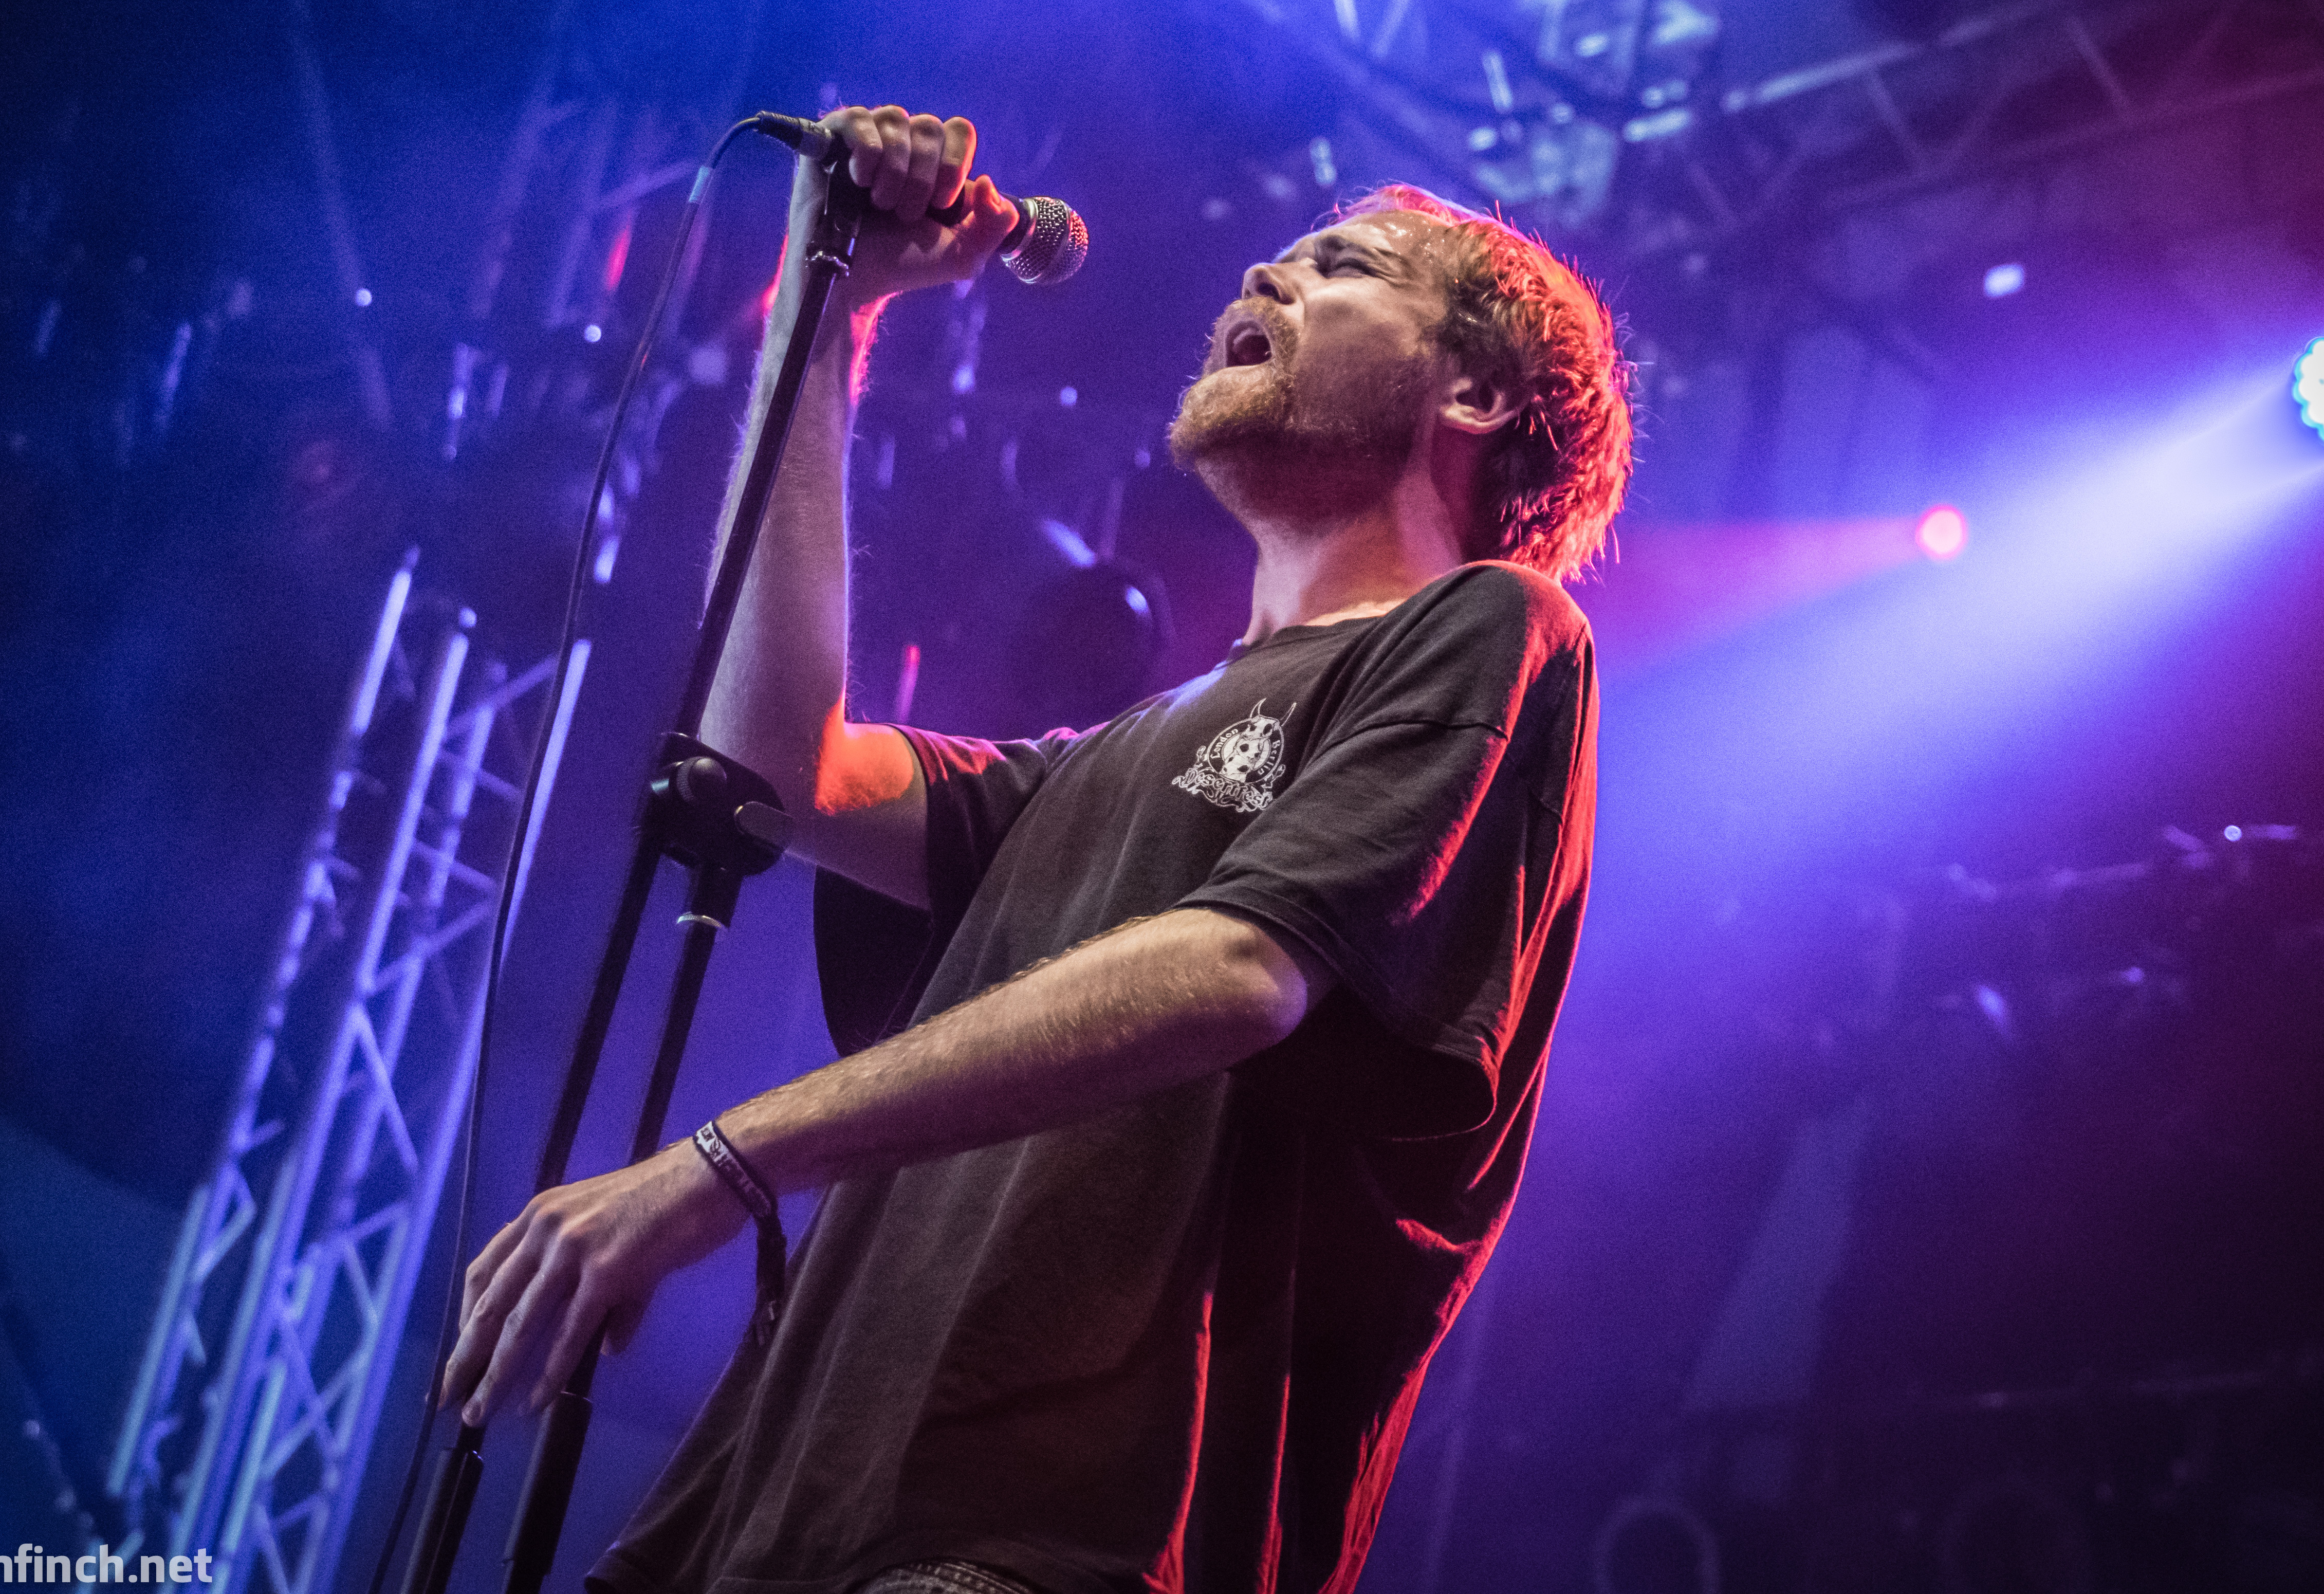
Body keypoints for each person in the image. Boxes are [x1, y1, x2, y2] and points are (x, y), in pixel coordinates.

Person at [438, 105, 1633, 1594]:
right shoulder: (1108, 757)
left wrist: (723, 1161)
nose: (1266, 273)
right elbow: (783, 768)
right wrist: (833, 311)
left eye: (1343, 266)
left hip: (1035, 1548)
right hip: (762, 1535)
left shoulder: (1496, 628)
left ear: (1470, 392)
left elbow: (1240, 973)